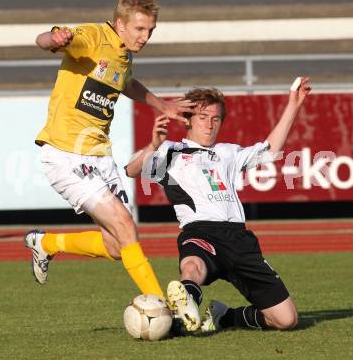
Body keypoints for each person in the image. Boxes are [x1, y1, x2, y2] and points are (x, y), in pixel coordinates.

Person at [24, 0, 194, 298]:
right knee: (126, 225)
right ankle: (163, 308)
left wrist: (163, 106)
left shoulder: (124, 54)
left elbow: (126, 82)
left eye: (150, 30)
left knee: (117, 245)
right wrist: (54, 38)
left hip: (99, 157)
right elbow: (45, 40)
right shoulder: (92, 36)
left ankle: (46, 243)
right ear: (120, 23)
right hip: (66, 154)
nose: (145, 37)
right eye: (140, 29)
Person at [125, 77, 311, 332]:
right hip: (200, 232)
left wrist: (294, 104)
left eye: (215, 119)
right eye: (202, 117)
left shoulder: (229, 153)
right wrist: (153, 145)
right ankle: (185, 305)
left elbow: (271, 149)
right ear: (187, 119)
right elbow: (132, 170)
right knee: (192, 267)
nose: (210, 125)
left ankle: (224, 317)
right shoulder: (171, 150)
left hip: (239, 239)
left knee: (287, 320)